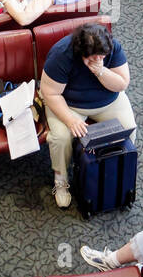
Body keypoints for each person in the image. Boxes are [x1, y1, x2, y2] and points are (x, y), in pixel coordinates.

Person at [39, 22, 135, 209]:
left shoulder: (113, 48)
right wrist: (70, 119)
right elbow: (50, 92)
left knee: (128, 129)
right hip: (70, 104)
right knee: (60, 138)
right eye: (94, 57)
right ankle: (60, 182)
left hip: (109, 100)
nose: (99, 59)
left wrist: (100, 71)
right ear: (80, 52)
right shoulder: (62, 54)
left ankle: (119, 174)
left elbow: (122, 84)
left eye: (102, 56)